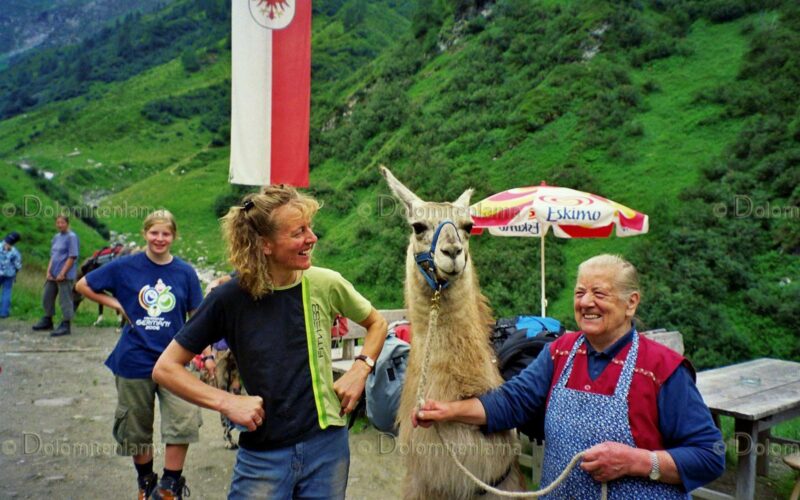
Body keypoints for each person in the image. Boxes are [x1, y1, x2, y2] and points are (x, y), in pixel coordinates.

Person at [413, 254, 725, 498]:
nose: (587, 302)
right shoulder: (559, 353)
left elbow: (709, 456)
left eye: (599, 293)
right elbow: (511, 402)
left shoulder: (661, 368)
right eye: (580, 292)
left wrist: (636, 462)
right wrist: (449, 411)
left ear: (631, 303)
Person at [153, 185, 388, 500]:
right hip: (263, 456)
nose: (312, 238)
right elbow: (166, 368)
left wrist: (361, 368)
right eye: (299, 232)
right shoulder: (228, 297)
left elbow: (377, 323)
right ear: (264, 244)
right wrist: (227, 402)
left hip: (328, 446)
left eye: (310, 228)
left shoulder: (325, 283)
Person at [75, 210, 203, 500]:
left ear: (174, 236)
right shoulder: (125, 266)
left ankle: (170, 486)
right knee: (136, 427)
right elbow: (83, 285)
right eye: (154, 233)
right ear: (145, 233)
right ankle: (146, 483)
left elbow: (197, 313)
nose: (160, 239)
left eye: (166, 233)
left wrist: (201, 350)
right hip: (134, 358)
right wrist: (117, 304)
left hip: (175, 361)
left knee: (182, 421)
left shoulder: (184, 272)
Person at [32, 215, 79, 336]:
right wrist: (48, 271)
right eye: (58, 223)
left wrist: (63, 273)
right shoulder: (56, 237)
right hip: (53, 274)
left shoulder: (71, 237)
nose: (60, 225)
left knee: (65, 300)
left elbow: (72, 256)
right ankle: (48, 320)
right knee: (47, 296)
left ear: (67, 223)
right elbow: (53, 256)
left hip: (65, 275)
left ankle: (66, 324)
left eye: (62, 222)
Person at [0, 231, 22, 318]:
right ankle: (4, 313)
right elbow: (18, 265)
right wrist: (16, 271)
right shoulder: (15, 252)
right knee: (6, 292)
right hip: (9, 275)